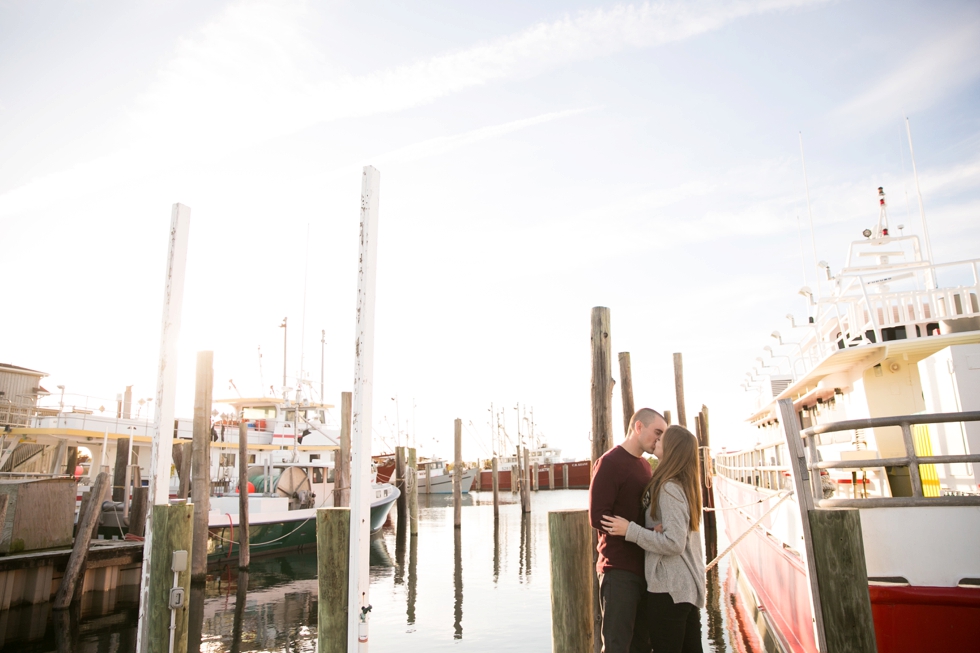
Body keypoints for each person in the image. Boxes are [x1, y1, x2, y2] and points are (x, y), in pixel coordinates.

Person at [602, 425, 706, 653]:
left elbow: (674, 543)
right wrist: (651, 528)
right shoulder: (683, 485)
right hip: (684, 589)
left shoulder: (669, 488)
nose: (658, 439)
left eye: (663, 437)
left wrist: (631, 530)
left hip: (670, 590)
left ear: (672, 448)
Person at [589, 408, 667, 653]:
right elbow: (597, 515)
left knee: (641, 646)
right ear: (638, 427)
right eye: (657, 432)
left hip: (645, 568)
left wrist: (649, 530)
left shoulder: (645, 465)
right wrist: (634, 530)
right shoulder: (610, 462)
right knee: (616, 645)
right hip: (618, 569)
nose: (660, 439)